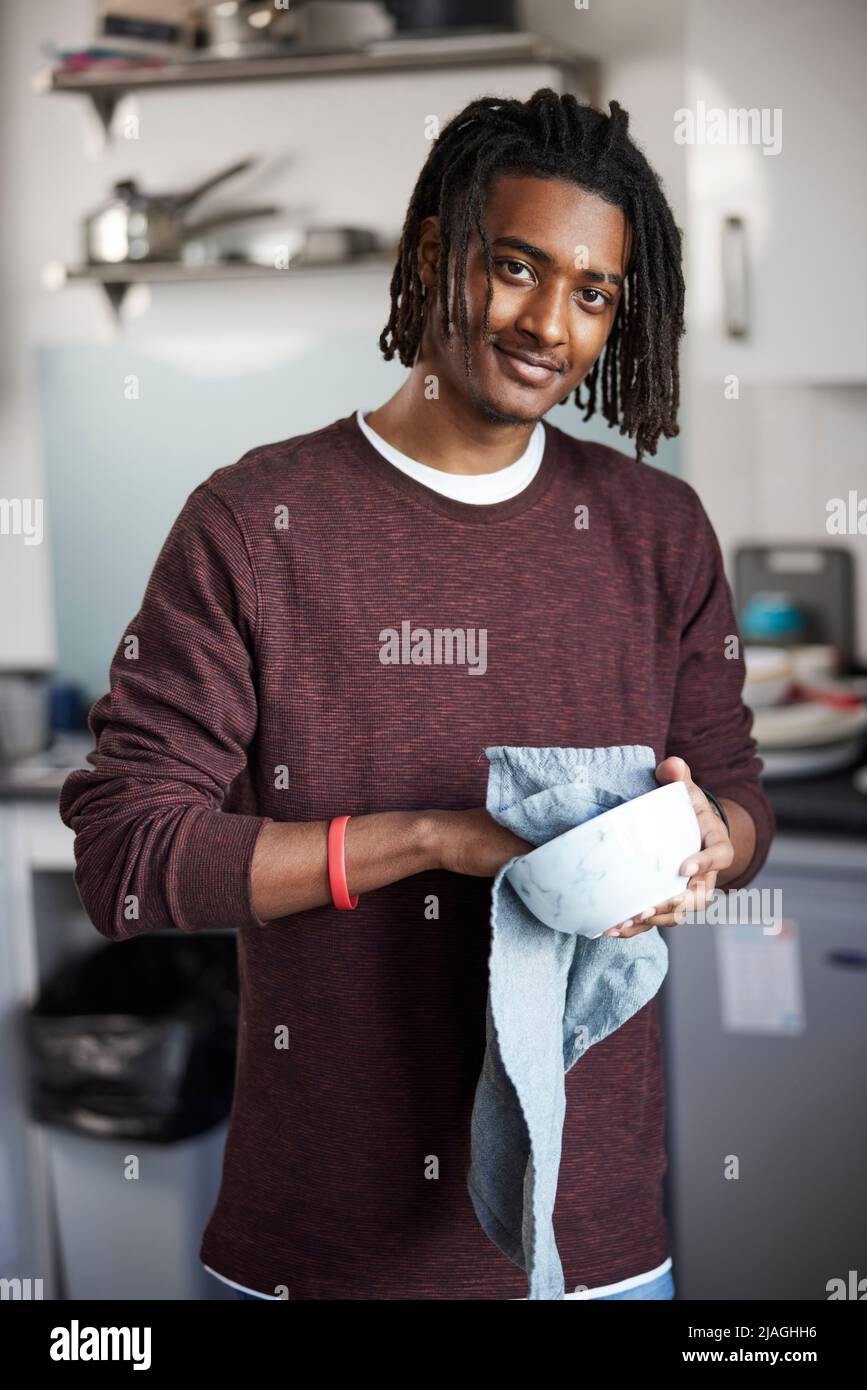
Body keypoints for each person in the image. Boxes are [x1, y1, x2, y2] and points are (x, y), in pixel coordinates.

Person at [59, 88, 775, 1301]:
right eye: (516, 267)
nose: (551, 320)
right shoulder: (255, 526)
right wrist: (435, 840)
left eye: (593, 291)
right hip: (327, 1251)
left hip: (596, 1255)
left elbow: (740, 795)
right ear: (437, 253)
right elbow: (127, 856)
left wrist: (710, 844)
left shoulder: (657, 531)